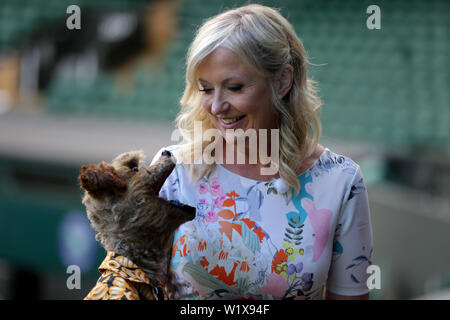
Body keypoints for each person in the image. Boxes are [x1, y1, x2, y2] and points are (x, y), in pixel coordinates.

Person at [152, 4, 373, 300]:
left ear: (282, 80)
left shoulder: (341, 181)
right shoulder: (171, 171)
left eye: (234, 87)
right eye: (205, 89)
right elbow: (131, 282)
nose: (216, 106)